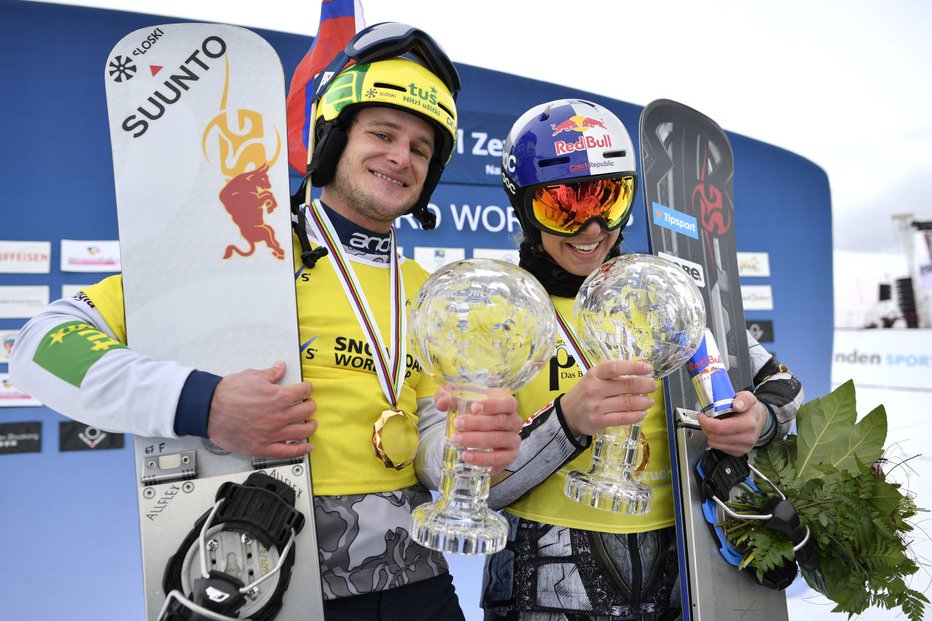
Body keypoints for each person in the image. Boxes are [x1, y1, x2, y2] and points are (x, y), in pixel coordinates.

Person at [9, 23, 522, 621]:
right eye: (382, 134)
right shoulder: (239, 250)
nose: (399, 158)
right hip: (266, 573)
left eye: (420, 149)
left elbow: (429, 432)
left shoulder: (427, 291)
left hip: (415, 580)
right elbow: (40, 347)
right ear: (331, 139)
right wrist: (204, 404)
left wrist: (466, 450)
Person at [476, 98, 804, 620]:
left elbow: (781, 383)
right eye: (563, 207)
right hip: (540, 573)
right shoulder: (501, 308)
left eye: (607, 200)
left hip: (680, 569)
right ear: (523, 208)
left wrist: (758, 420)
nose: (590, 230)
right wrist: (567, 421)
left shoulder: (662, 292)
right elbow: (477, 490)